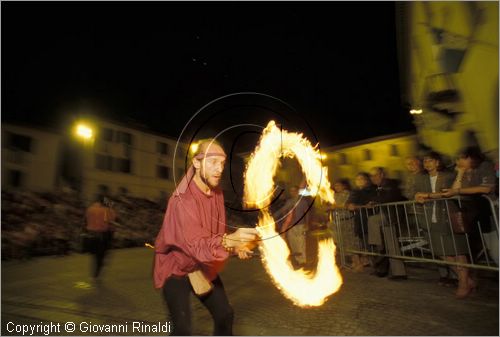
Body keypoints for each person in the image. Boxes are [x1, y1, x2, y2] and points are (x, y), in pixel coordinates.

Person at [153, 139, 259, 336]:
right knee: (183, 328)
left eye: (221, 163)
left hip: (201, 265)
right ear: (196, 163)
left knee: (225, 315)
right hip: (176, 268)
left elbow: (215, 232)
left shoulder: (216, 192)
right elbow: (195, 246)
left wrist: (236, 246)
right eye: (212, 162)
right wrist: (228, 241)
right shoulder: (182, 200)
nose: (218, 169)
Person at [414, 151, 474, 298]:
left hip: (449, 216)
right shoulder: (421, 178)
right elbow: (416, 193)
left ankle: (463, 284)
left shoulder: (448, 176)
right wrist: (417, 196)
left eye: (430, 161)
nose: (427, 164)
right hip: (431, 218)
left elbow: (449, 193)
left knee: (457, 251)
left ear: (437, 162)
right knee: (441, 252)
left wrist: (427, 195)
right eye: (425, 161)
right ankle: (465, 279)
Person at [442, 146, 498, 267]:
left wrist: (458, 191)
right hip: (478, 214)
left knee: (495, 246)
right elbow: (455, 191)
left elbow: (486, 188)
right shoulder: (464, 173)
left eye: (462, 158)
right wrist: (460, 173)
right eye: (457, 159)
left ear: (472, 158)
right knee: (490, 247)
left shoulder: (484, 166)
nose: (458, 162)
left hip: (492, 212)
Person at [367, 167, 407, 279]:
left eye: (375, 175)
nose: (373, 178)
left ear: (382, 174)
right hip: (385, 217)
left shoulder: (390, 184)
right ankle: (399, 273)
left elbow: (390, 197)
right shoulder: (376, 187)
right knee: (392, 245)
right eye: (371, 176)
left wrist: (375, 200)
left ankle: (378, 246)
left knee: (373, 220)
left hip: (391, 216)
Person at [346, 172, 376, 272]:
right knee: (363, 240)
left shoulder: (371, 190)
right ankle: (369, 261)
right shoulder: (354, 191)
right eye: (357, 179)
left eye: (361, 179)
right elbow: (349, 204)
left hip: (370, 218)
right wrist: (350, 205)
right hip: (360, 219)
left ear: (367, 180)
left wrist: (360, 206)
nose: (359, 181)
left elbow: (371, 203)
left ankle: (374, 261)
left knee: (372, 241)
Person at [85, 194, 116, 281]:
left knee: (94, 256)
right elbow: (110, 222)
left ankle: (94, 274)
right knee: (101, 256)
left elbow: (86, 220)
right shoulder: (107, 210)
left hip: (90, 235)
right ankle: (96, 275)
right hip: (102, 235)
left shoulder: (89, 209)